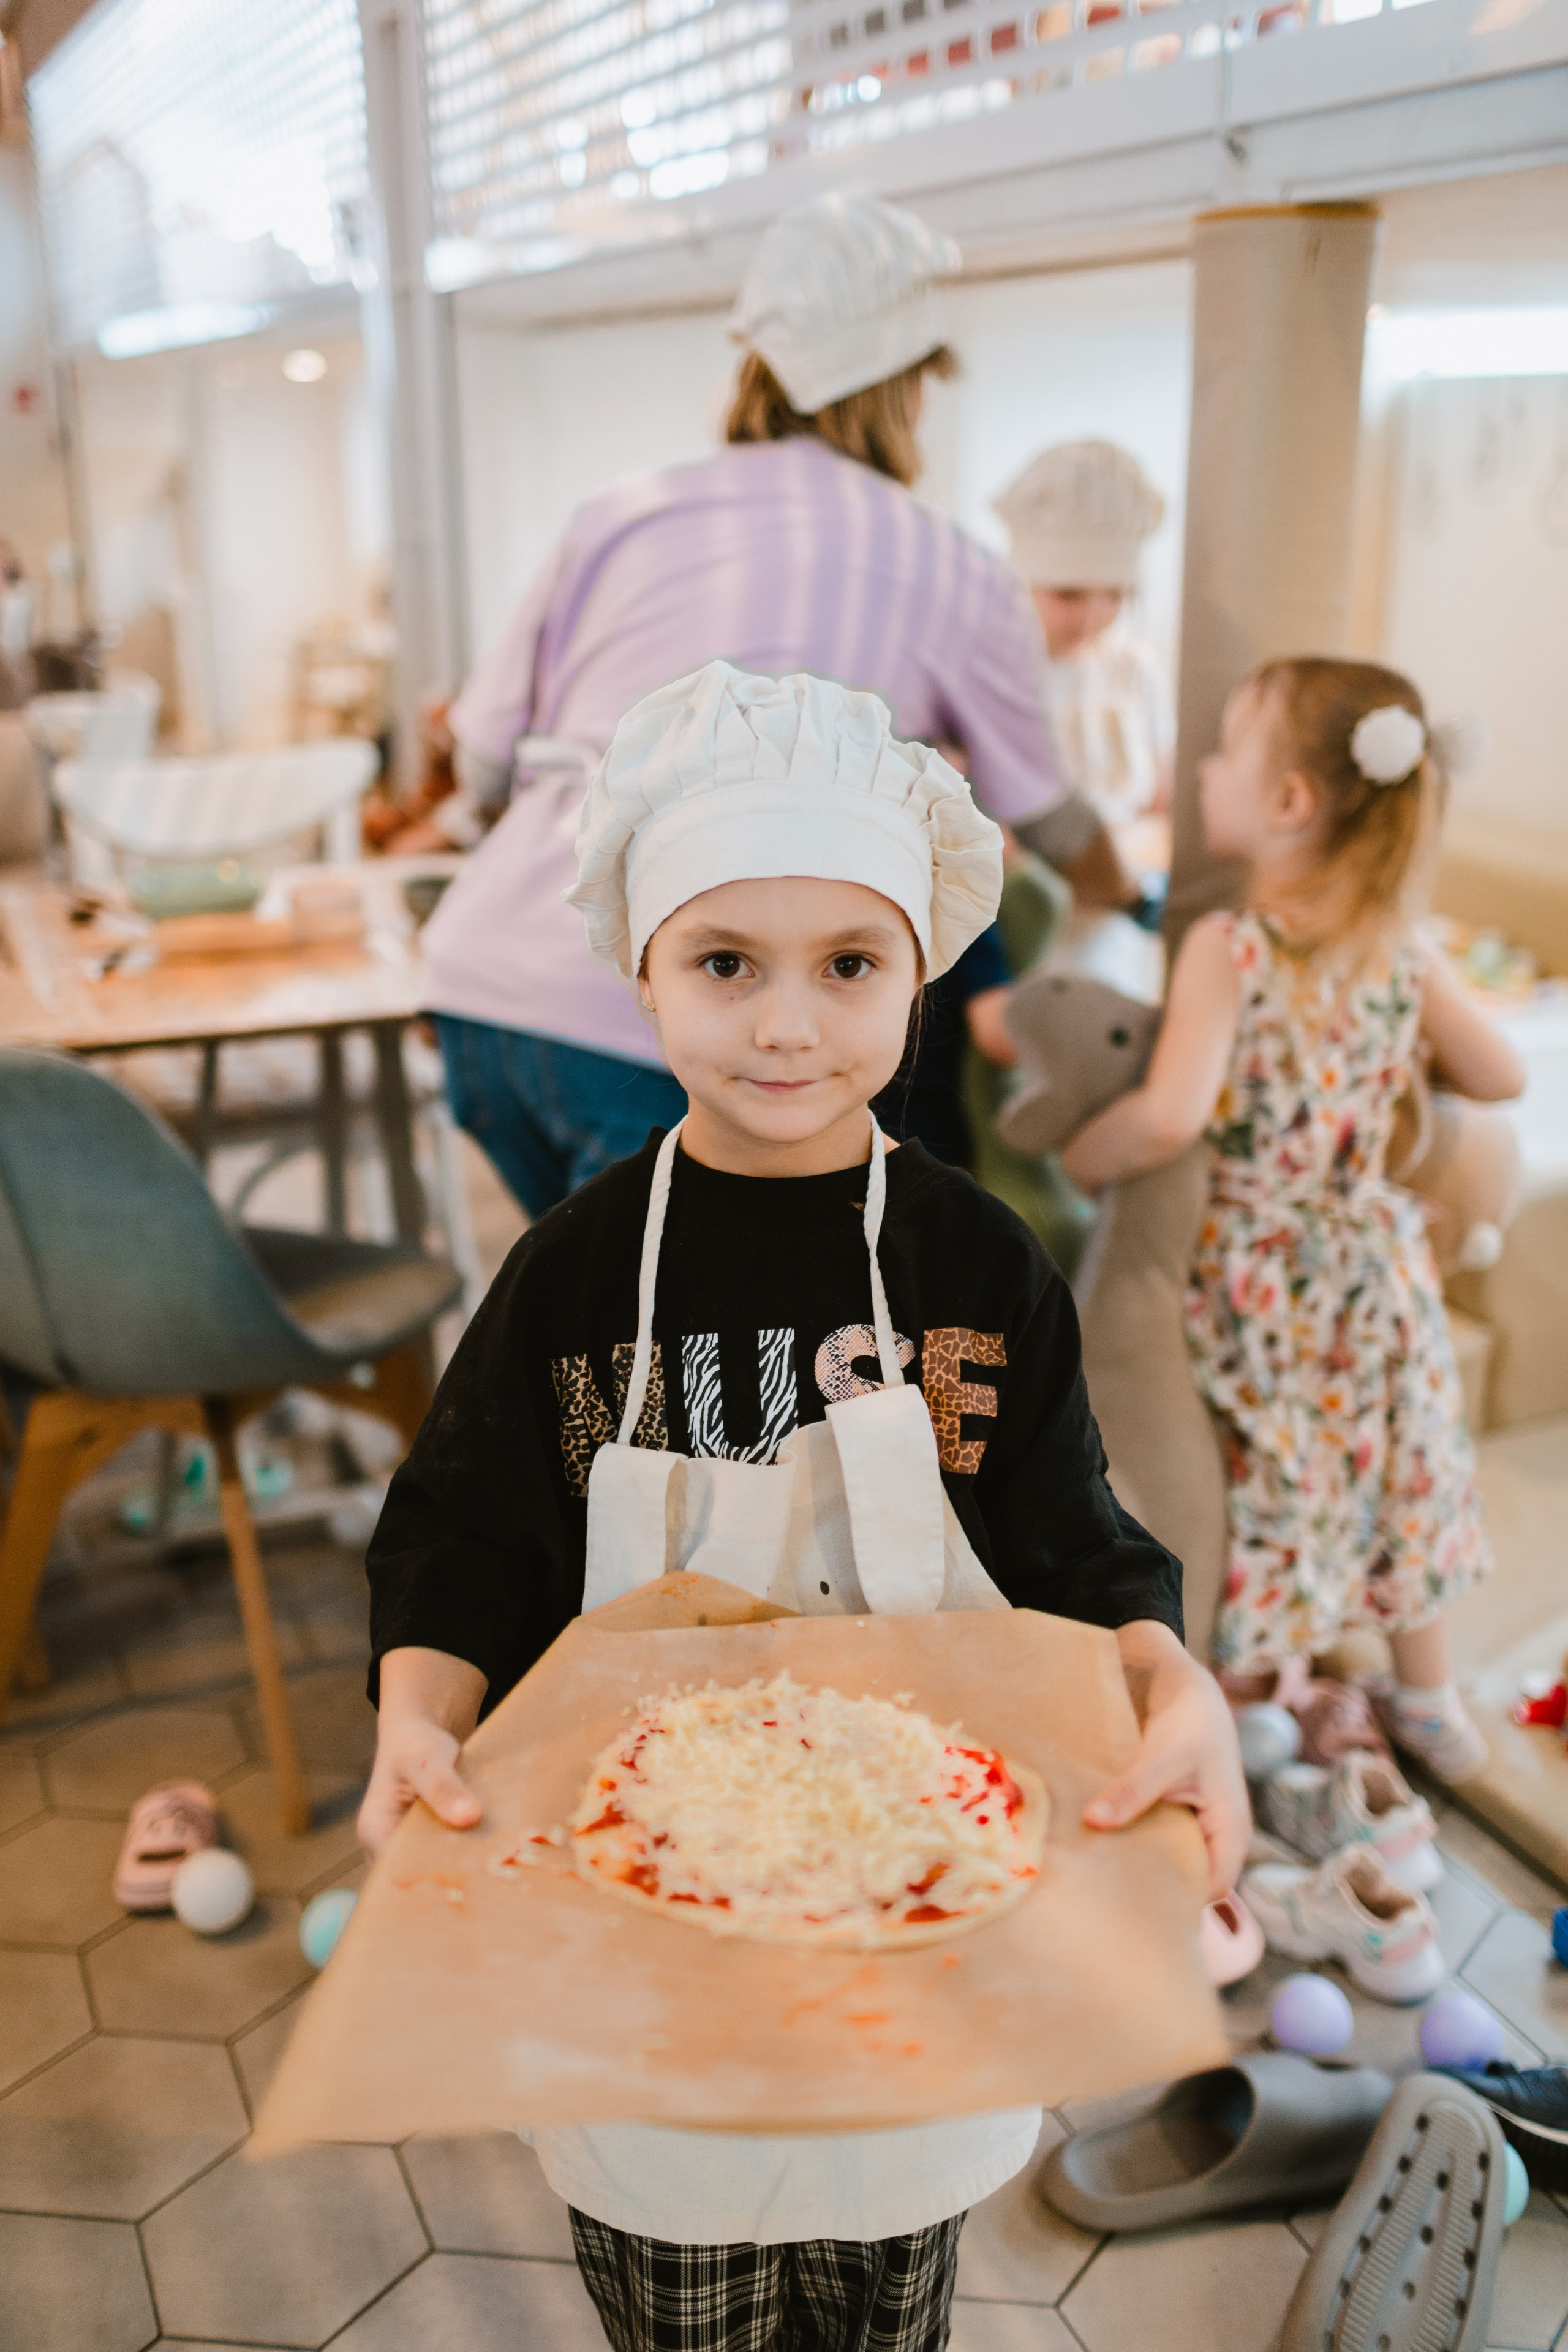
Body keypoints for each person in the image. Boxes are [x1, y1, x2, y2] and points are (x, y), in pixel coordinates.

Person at [360, 662, 1248, 2352]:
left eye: (850, 965)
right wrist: (420, 1711)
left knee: (888, 2290)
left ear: (925, 968)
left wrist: (1170, 1680)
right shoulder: (569, 1275)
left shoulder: (980, 1261)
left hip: (924, 1912)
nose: (787, 1024)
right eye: (724, 964)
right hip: (643, 1938)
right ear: (639, 969)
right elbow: (462, 1540)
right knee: (676, 2289)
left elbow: (1077, 1540)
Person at [402, 193, 1136, 1219]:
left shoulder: (619, 514)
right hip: (666, 1027)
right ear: (908, 391)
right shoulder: (949, 564)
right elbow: (1046, 814)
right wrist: (1139, 899)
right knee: (696, 1362)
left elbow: (480, 766)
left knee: (621, 1335)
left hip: (490, 998)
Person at [1059, 658, 1524, 1784]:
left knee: (1273, 1479)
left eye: (1224, 749)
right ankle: (1428, 1704)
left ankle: (1265, 1701)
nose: (1204, 767)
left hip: (1265, 1273)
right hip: (1379, 1265)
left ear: (1287, 804)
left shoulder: (1233, 946)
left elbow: (1171, 1114)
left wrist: (1085, 1152)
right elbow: (1503, 1073)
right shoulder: (1401, 954)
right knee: (1401, 1467)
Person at [993, 440, 1175, 838]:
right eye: (1068, 594)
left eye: (1114, 595)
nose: (1093, 617)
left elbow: (1162, 794)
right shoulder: (991, 671)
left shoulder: (1136, 667)